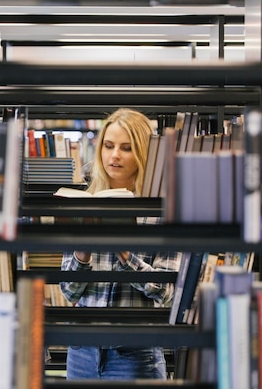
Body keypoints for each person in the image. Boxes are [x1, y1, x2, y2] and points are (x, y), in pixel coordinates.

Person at [60, 108, 181, 380]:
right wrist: (82, 253)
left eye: (126, 148)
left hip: (135, 355)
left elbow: (169, 292)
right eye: (109, 145)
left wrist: (125, 255)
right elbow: (69, 292)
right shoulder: (85, 200)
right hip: (82, 353)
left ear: (142, 153)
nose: (114, 155)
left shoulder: (163, 210)